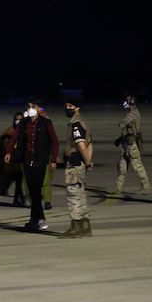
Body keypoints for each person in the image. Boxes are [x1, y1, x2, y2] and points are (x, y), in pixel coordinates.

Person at [5, 98, 59, 232]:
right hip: (27, 160)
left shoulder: (46, 123)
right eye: (28, 106)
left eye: (33, 106)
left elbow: (55, 142)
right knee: (32, 190)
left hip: (40, 161)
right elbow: (15, 138)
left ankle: (39, 219)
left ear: (39, 108)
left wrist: (53, 160)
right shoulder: (23, 123)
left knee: (36, 190)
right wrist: (9, 152)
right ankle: (35, 220)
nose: (30, 108)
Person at [58, 98, 93, 238]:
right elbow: (90, 144)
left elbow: (81, 144)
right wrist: (88, 161)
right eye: (66, 105)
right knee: (81, 193)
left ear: (77, 108)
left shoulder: (76, 124)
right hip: (81, 164)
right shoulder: (84, 122)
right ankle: (85, 225)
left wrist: (86, 160)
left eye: (70, 106)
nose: (67, 108)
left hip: (74, 164)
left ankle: (76, 226)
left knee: (73, 195)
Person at [112, 95, 150, 194]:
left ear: (131, 103)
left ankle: (145, 187)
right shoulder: (132, 113)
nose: (125, 104)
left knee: (137, 166)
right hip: (126, 144)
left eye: (127, 102)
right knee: (122, 167)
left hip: (132, 144)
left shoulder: (133, 113)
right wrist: (120, 139)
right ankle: (118, 188)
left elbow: (122, 124)